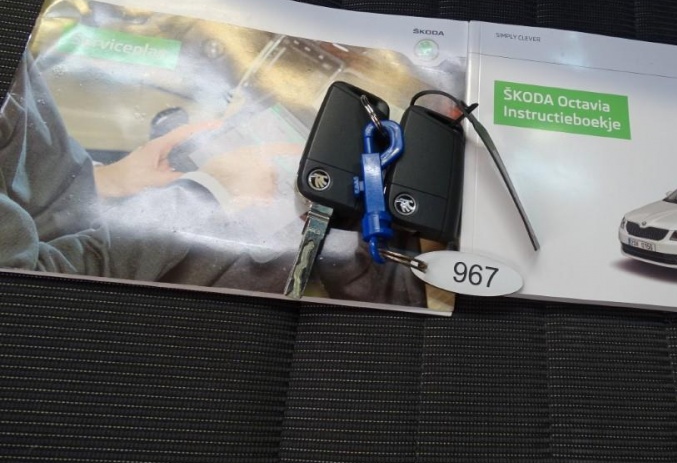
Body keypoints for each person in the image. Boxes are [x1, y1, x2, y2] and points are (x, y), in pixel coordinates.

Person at [0, 54, 427, 307]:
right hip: (90, 268)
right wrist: (206, 192)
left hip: (75, 218)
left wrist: (101, 181)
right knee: (297, 238)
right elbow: (27, 287)